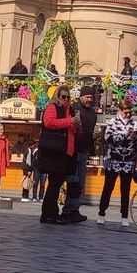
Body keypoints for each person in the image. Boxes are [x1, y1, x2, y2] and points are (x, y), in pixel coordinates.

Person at [97, 98, 137, 227]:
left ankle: (124, 216)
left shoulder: (135, 124)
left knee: (125, 189)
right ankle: (101, 213)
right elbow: (108, 138)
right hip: (113, 160)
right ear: (120, 110)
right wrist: (124, 136)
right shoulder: (112, 122)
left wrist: (136, 138)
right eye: (125, 112)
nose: (128, 115)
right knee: (108, 187)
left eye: (130, 112)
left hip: (128, 162)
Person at [39, 86, 80, 224]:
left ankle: (51, 213)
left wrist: (77, 125)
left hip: (66, 153)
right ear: (57, 96)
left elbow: (72, 131)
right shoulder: (53, 107)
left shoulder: (70, 110)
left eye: (68, 97)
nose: (66, 99)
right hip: (55, 152)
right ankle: (49, 214)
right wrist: (69, 121)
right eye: (63, 97)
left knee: (56, 184)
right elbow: (49, 122)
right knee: (54, 184)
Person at [62, 83, 98, 223]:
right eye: (87, 97)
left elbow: (89, 133)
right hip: (73, 151)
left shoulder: (92, 113)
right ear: (81, 97)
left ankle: (74, 209)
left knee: (80, 183)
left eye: (91, 97)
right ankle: (68, 210)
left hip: (84, 151)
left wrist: (94, 137)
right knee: (73, 181)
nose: (89, 100)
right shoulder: (74, 108)